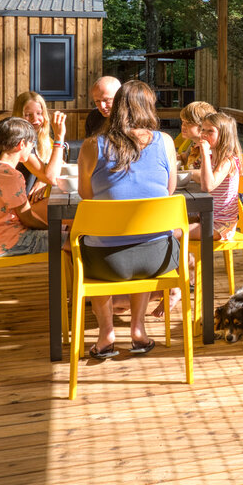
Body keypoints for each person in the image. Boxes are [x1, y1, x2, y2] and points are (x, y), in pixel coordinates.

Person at [76, 79, 179, 359]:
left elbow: (86, 196)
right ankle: (138, 330)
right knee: (146, 238)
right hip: (156, 259)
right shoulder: (165, 142)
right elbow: (169, 191)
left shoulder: (92, 145)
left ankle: (106, 333)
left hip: (105, 262)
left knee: (88, 241)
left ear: (118, 106)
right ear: (148, 107)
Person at [0, 118, 49, 257]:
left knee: (64, 231)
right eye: (32, 144)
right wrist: (50, 228)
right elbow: (27, 218)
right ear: (22, 144)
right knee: (72, 239)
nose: (32, 148)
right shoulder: (11, 175)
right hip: (12, 241)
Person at [6, 90, 67, 221]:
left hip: (27, 202)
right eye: (28, 115)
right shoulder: (18, 141)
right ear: (18, 116)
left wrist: (42, 178)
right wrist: (59, 137)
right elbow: (51, 177)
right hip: (14, 210)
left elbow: (60, 164)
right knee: (68, 214)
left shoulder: (39, 138)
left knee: (67, 207)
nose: (35, 120)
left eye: (39, 113)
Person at [192, 111, 243, 242]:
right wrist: (190, 174)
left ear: (224, 136)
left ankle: (188, 255)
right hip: (205, 216)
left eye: (210, 131)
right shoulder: (210, 158)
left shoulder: (228, 161)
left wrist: (204, 152)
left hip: (221, 225)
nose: (204, 134)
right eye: (203, 130)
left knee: (174, 232)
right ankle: (186, 254)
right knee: (168, 223)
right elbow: (202, 177)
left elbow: (207, 186)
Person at [176, 100, 216, 170]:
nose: (183, 126)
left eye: (189, 123)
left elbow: (205, 173)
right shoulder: (194, 143)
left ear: (203, 126)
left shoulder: (208, 149)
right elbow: (184, 159)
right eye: (182, 121)